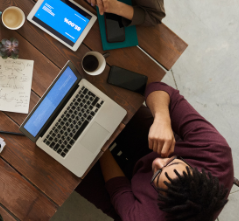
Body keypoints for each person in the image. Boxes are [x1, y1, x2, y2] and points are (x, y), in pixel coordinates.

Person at [76, 82, 233, 221]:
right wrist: (162, 119)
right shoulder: (214, 151)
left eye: (157, 174)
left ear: (161, 200)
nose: (157, 162)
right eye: (172, 161)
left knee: (72, 165)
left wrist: (100, 144)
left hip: (129, 197)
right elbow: (158, 88)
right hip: (152, 146)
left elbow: (118, 188)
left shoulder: (146, 217)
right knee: (112, 98)